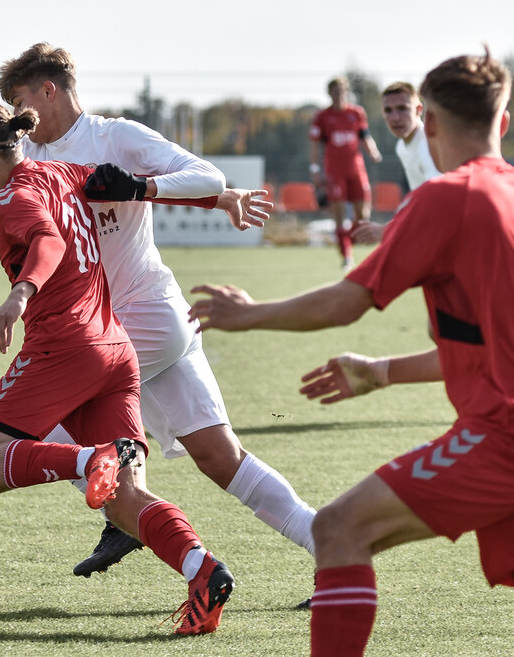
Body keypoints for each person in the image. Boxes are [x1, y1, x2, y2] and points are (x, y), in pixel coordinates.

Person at [0, 44, 316, 590]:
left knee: (14, 442)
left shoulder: (115, 138)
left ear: (48, 90)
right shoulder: (34, 160)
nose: (16, 115)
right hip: (135, 328)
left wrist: (155, 189)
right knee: (223, 458)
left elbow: (205, 176)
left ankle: (123, 508)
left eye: (19, 99)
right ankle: (328, 544)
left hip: (131, 319)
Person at [188, 49, 514, 656]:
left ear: (431, 125)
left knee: (338, 529)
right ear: (504, 120)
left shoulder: (447, 197)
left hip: (504, 436)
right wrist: (381, 371)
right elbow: (485, 349)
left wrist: (248, 315)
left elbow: (349, 300)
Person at [0, 101, 234, 635]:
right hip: (115, 349)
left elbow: (47, 242)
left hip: (65, 351)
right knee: (125, 501)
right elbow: (124, 184)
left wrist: (19, 295)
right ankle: (203, 570)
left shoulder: (14, 196)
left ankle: (85, 461)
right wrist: (224, 197)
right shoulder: (59, 171)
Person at [351, 81, 441, 244]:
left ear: (418, 110)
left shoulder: (427, 145)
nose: (395, 117)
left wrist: (386, 229)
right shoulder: (402, 146)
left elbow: (438, 200)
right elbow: (419, 197)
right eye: (388, 110)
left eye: (402, 108)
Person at [308, 76, 384, 268]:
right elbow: (315, 145)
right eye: (334, 91)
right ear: (329, 93)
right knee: (339, 214)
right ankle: (347, 256)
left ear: (346, 92)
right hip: (334, 171)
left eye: (341, 90)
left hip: (356, 169)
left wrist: (373, 152)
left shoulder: (357, 113)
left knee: (362, 217)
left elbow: (365, 136)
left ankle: (350, 243)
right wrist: (315, 169)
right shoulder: (323, 116)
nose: (338, 95)